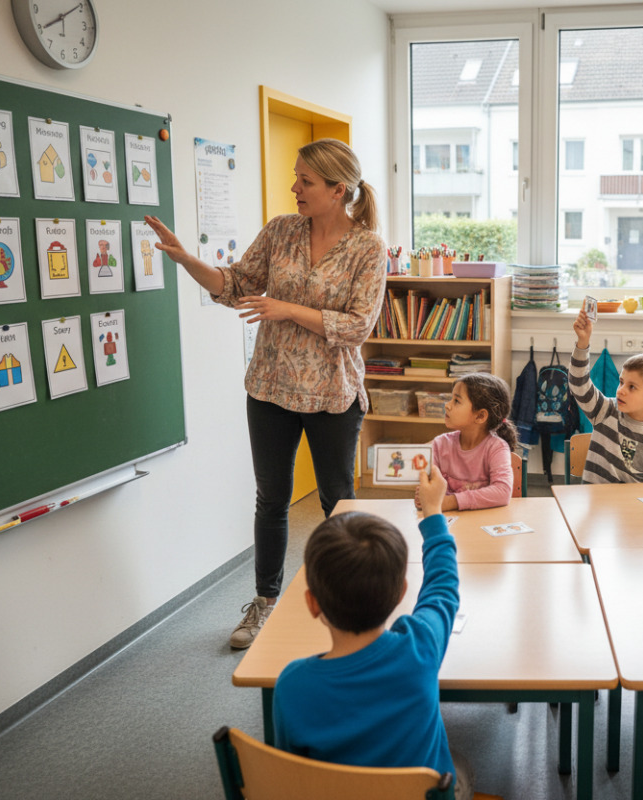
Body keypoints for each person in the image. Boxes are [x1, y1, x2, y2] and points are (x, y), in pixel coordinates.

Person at [143, 138, 386, 649]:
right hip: (270, 387)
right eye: (296, 177)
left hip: (331, 393)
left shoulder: (368, 247)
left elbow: (359, 326)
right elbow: (234, 284)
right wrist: (188, 259)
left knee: (337, 503)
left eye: (306, 181)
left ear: (338, 189)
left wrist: (288, 309)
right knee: (271, 500)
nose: (294, 187)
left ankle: (352, 605)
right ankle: (264, 603)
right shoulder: (281, 231)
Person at [272, 466, 476, 800]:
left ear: (312, 604)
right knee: (462, 765)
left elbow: (294, 776)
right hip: (422, 793)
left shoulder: (291, 685)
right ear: (400, 595)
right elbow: (443, 589)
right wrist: (433, 511)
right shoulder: (418, 649)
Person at [569, 308, 643, 482]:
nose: (621, 390)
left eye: (632, 387)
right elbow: (578, 384)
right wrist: (583, 342)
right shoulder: (605, 411)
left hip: (634, 508)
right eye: (621, 382)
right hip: (597, 505)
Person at [416, 373, 517, 512]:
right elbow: (430, 486)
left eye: (456, 401)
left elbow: (503, 492)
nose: (447, 405)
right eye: (451, 399)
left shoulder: (497, 448)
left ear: (480, 416)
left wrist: (451, 502)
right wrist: (424, 496)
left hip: (484, 521)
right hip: (450, 523)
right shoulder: (440, 444)